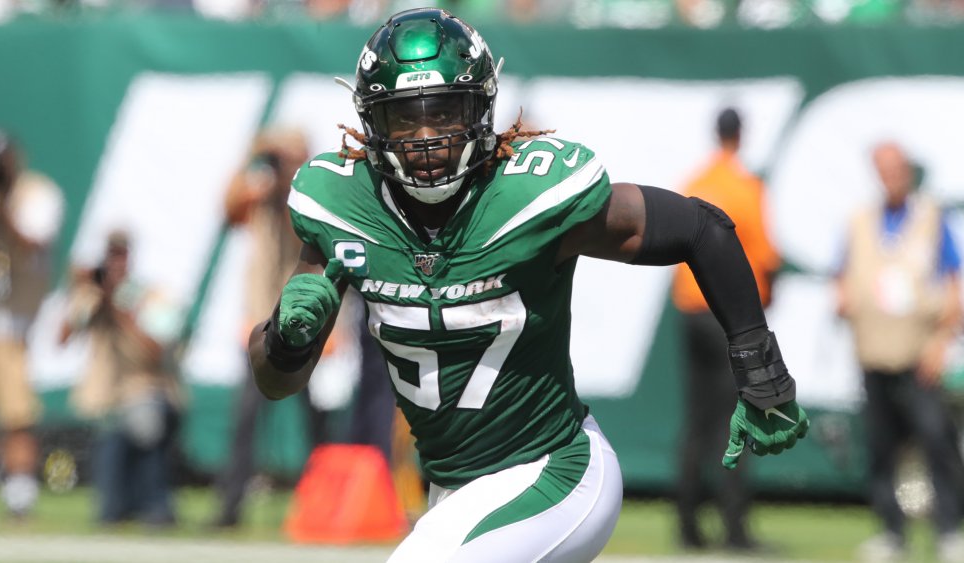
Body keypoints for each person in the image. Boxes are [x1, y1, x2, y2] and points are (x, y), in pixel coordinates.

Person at [248, 8, 810, 561]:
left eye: (444, 114)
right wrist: (286, 338)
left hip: (555, 468)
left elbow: (700, 228)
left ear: (480, 110)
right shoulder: (341, 207)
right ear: (372, 125)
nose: (426, 140)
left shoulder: (528, 195)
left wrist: (760, 368)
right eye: (404, 119)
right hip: (455, 492)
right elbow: (276, 381)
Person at [212, 128, 398, 528]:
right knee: (246, 416)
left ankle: (328, 499)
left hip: (310, 318)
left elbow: (299, 224)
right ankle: (230, 505)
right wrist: (254, 157)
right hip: (264, 320)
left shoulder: (308, 198)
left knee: (317, 419)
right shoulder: (259, 192)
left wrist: (283, 181)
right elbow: (228, 211)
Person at [838, 141, 964, 562]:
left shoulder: (930, 217)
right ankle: (892, 532)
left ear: (908, 171)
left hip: (918, 353)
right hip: (874, 352)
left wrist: (942, 343)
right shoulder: (861, 220)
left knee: (935, 441)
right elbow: (843, 276)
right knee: (880, 446)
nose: (891, 176)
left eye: (897, 169)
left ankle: (949, 530)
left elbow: (952, 283)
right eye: (883, 169)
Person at [671, 107, 779, 552]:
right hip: (728, 319)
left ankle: (687, 526)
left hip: (691, 312)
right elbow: (766, 257)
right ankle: (735, 529)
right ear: (742, 135)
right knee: (741, 418)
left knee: (697, 423)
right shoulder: (744, 185)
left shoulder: (696, 181)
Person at [0, 128, 64, 519]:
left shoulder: (36, 194)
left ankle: (19, 491)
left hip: (13, 320)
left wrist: (3, 202)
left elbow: (33, 242)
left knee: (16, 412)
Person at [59, 230, 182, 527]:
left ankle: (156, 506)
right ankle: (118, 507)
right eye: (111, 256)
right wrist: (80, 291)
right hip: (107, 396)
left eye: (121, 255)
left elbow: (158, 349)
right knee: (109, 510)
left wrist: (123, 310)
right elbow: (62, 338)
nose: (115, 263)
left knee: (145, 426)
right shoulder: (93, 297)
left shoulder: (150, 294)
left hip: (146, 388)